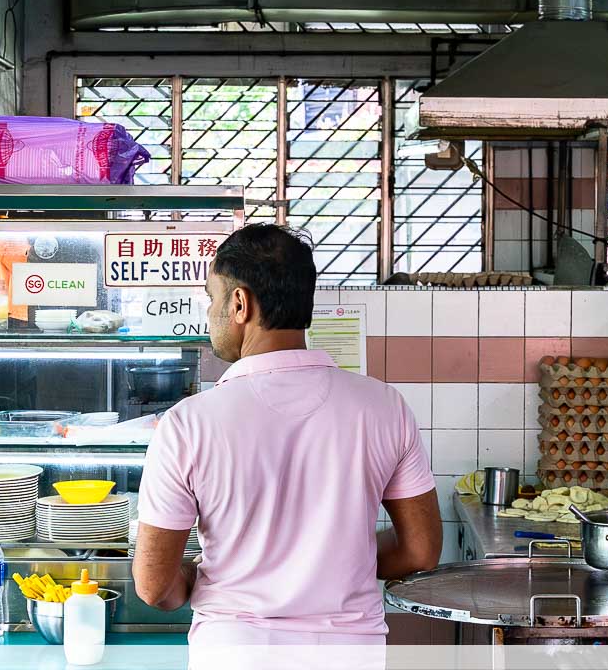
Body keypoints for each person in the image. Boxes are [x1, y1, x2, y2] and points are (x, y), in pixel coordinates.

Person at [133, 224, 441, 646]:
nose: (209, 312)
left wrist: (193, 575)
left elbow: (154, 587)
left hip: (235, 651)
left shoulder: (188, 423)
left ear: (239, 304)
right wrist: (338, 561)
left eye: (211, 298)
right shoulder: (385, 406)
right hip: (352, 652)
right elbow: (420, 551)